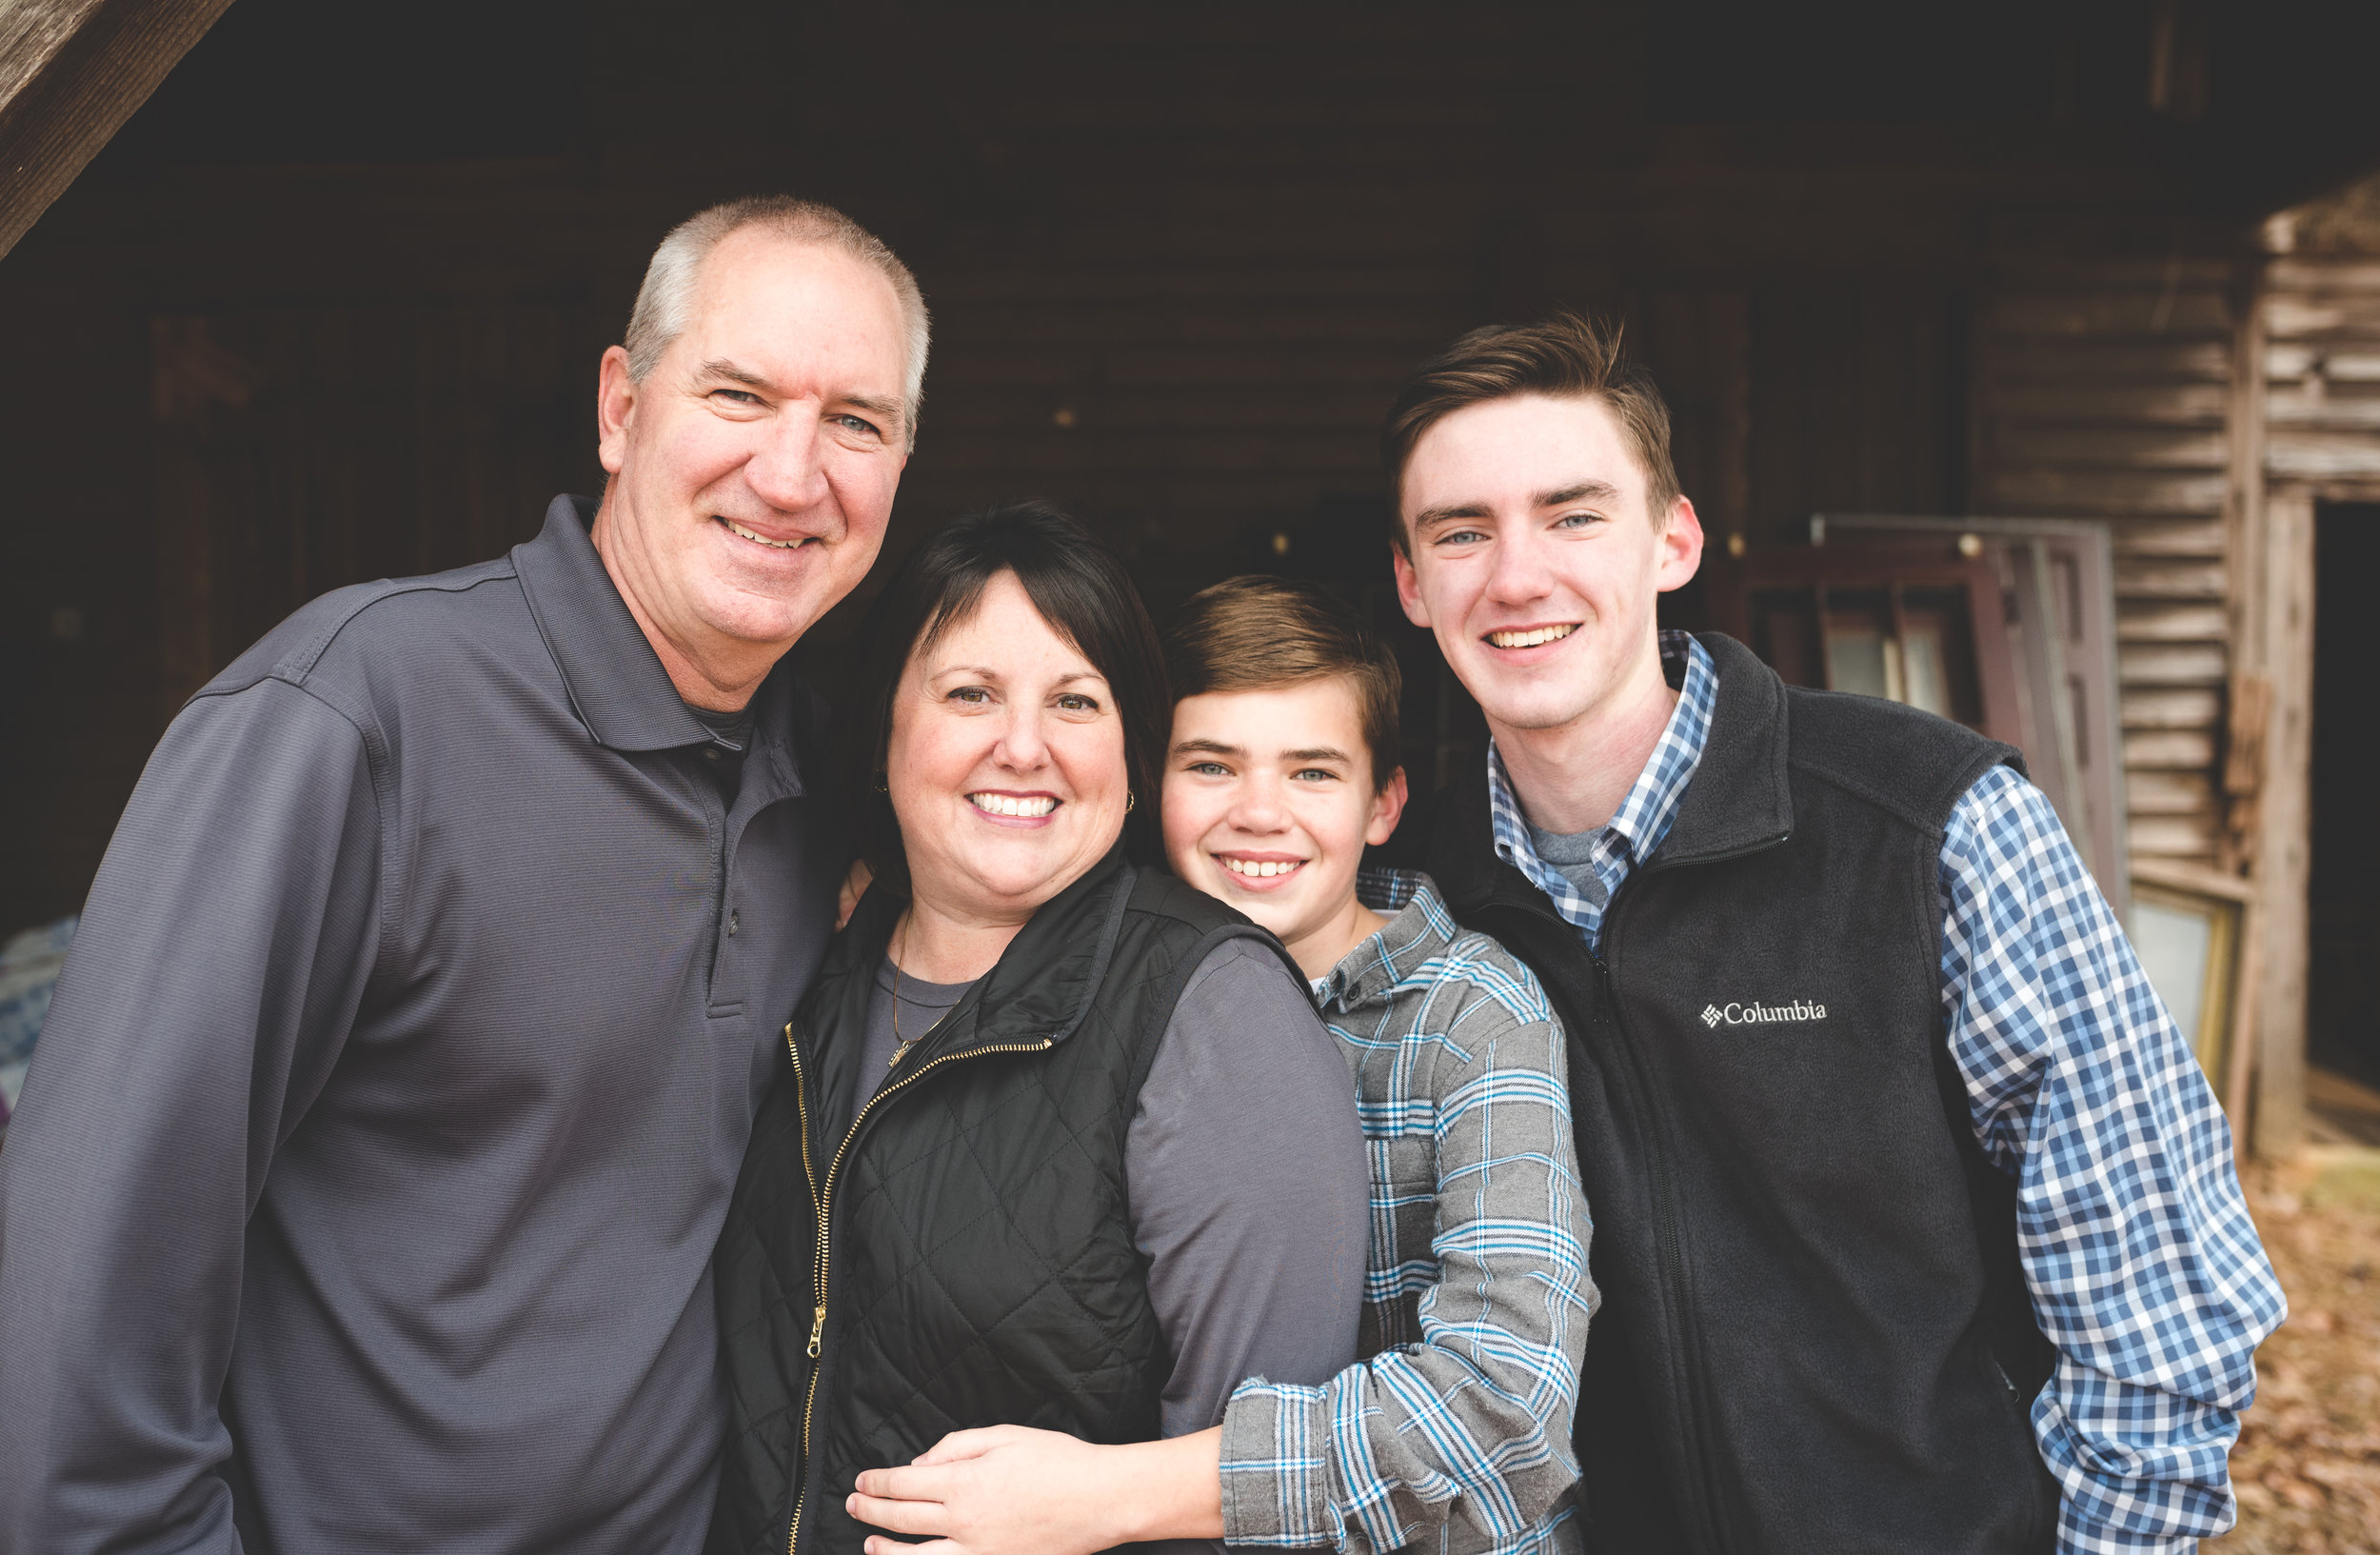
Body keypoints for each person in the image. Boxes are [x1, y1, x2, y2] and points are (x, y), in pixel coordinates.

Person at [0, 196, 926, 1555]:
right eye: (738, 394)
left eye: (856, 421)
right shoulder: (352, 719)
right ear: (620, 409)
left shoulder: (833, 784)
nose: (791, 476)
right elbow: (80, 1298)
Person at [1384, 312, 2286, 1551]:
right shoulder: (1423, 901)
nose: (1517, 576)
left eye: (1572, 515)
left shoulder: (1926, 824)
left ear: (1672, 540)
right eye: (1461, 532)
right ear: (1411, 583)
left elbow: (2158, 1302)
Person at [840, 575, 1594, 1555]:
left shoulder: (1474, 1016)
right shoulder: (1088, 992)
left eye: (1312, 772)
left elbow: (1504, 1407)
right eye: (1211, 765)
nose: (1259, 813)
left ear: (1383, 802)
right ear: (1145, 781)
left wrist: (1108, 1493)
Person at [709, 506, 1369, 1555]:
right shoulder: (804, 965)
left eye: (1075, 701)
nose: (1023, 747)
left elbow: (1267, 1504)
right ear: (884, 732)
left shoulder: (1213, 1011)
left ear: (1131, 752)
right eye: (970, 694)